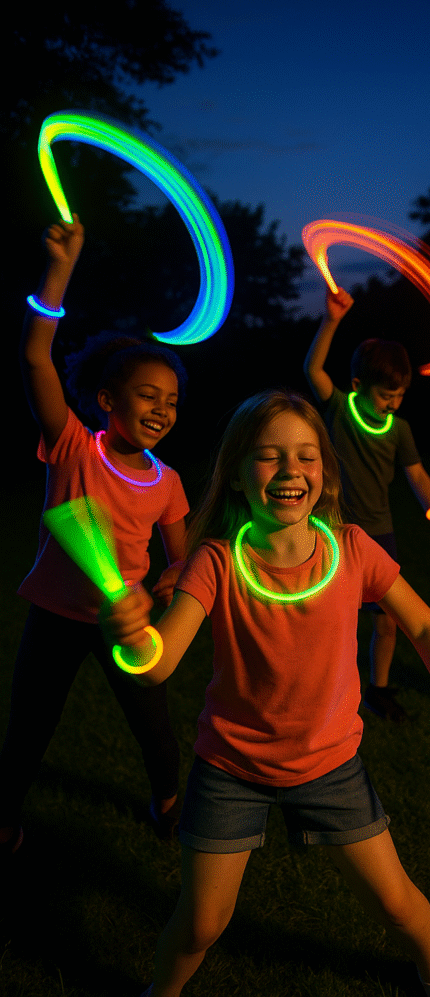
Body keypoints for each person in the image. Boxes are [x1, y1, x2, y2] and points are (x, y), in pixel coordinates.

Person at [102, 389, 430, 997]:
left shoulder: (353, 549)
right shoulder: (216, 561)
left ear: (326, 474)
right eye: (269, 456)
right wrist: (130, 637)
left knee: (394, 903)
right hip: (231, 768)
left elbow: (423, 627)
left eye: (307, 456)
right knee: (201, 924)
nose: (290, 471)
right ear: (236, 474)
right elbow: (158, 664)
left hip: (330, 764)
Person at [0, 216, 190, 856]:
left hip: (123, 623)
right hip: (55, 617)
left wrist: (169, 585)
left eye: (171, 400)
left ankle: (169, 803)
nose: (162, 409)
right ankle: (4, 817)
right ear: (107, 399)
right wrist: (59, 270)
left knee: (154, 726)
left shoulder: (167, 481)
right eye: (148, 395)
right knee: (29, 725)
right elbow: (35, 357)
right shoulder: (74, 447)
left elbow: (180, 558)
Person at [304, 287, 430, 723]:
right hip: (333, 531)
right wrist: (331, 320)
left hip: (379, 534)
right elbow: (312, 369)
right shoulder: (338, 409)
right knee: (331, 618)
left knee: (387, 620)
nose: (393, 403)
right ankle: (321, 689)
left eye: (400, 395)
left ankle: (379, 689)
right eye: (386, 394)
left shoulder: (399, 429)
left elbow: (417, 475)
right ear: (358, 386)